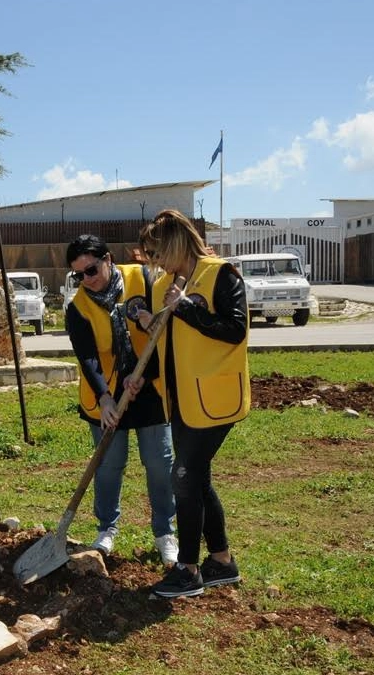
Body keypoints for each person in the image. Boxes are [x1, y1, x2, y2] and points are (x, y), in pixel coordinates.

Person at [132, 209, 249, 598]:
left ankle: (187, 569)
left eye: (157, 251)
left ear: (177, 242)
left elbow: (235, 331)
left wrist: (185, 306)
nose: (154, 260)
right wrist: (148, 321)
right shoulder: (166, 282)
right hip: (180, 399)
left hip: (216, 398)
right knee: (196, 476)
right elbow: (168, 342)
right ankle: (221, 561)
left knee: (183, 476)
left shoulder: (221, 274)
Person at [64, 235, 178, 565]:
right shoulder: (78, 308)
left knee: (159, 462)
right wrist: (105, 398)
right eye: (79, 275)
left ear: (108, 259)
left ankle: (164, 532)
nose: (87, 279)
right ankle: (106, 531)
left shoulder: (143, 279)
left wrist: (147, 372)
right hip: (107, 396)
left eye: (91, 269)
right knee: (109, 465)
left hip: (150, 388)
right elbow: (87, 357)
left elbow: (164, 330)